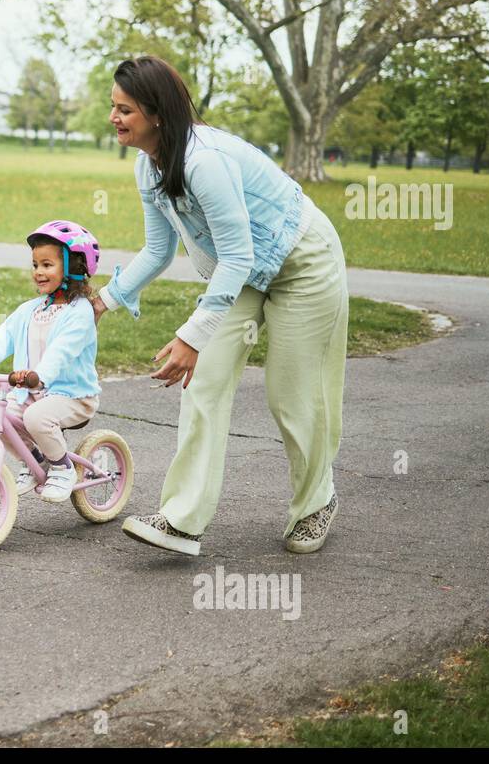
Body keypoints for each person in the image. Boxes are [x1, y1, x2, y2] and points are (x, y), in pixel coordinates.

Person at [98, 55, 349, 556]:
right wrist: (103, 300)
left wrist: (192, 334)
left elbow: (236, 253)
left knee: (292, 393)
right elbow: (158, 250)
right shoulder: (148, 168)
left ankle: (316, 502)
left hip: (302, 260)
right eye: (113, 107)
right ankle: (181, 520)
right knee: (203, 382)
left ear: (157, 114)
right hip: (243, 270)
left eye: (124, 109)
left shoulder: (203, 160)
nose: (114, 118)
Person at [0, 221, 102, 502]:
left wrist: (37, 375)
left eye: (47, 264)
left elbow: (62, 351)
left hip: (73, 396)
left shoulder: (80, 313)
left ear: (73, 267)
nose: (38, 272)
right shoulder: (28, 310)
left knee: (36, 417)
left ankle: (64, 468)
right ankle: (37, 461)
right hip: (32, 393)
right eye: (35, 265)